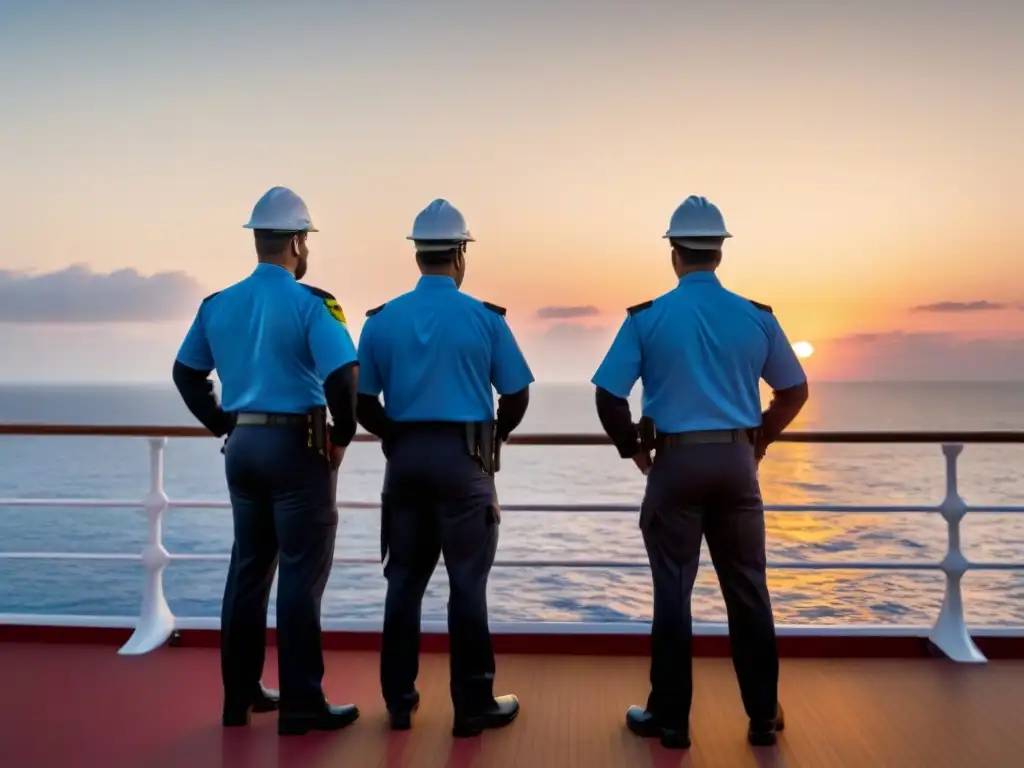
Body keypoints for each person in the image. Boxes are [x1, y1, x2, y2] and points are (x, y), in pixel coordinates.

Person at [591, 195, 809, 750]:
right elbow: (794, 390)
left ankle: (671, 719)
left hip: (676, 463)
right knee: (748, 590)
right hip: (737, 466)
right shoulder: (757, 316)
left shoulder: (648, 317)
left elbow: (609, 396)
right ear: (720, 253)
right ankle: (763, 716)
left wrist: (636, 454)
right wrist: (758, 438)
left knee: (673, 591)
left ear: (674, 253)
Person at [172, 186, 361, 736]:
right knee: (301, 576)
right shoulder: (314, 304)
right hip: (298, 448)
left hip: (244, 449)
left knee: (248, 573)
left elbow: (187, 374)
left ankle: (239, 698)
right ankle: (303, 704)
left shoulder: (218, 304)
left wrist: (224, 424)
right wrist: (341, 438)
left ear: (258, 240)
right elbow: (343, 375)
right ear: (298, 243)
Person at [355, 199, 533, 737]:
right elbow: (517, 394)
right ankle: (472, 707)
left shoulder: (381, 322)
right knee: (467, 584)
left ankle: (400, 703)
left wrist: (400, 438)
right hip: (465, 462)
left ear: (417, 255)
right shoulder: (484, 319)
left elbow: (364, 404)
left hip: (406, 462)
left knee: (403, 583)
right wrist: (492, 436)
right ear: (459, 254)